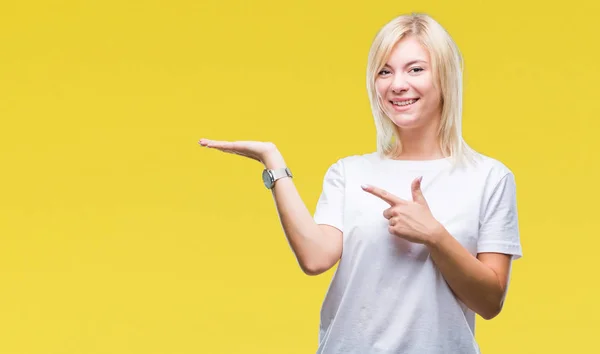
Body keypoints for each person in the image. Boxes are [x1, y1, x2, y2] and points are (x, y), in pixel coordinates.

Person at [199, 12, 522, 354]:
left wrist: (434, 235)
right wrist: (273, 164)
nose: (397, 84)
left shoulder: (489, 178)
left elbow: (490, 302)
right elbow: (315, 258)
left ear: (444, 76)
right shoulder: (348, 172)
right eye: (385, 71)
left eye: (415, 69)